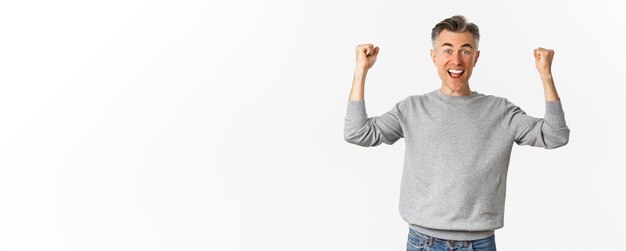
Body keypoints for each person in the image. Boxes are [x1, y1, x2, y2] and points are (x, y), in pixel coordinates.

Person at [343, 15, 570, 251]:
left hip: (479, 243)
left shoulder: (500, 111)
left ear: (476, 58)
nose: (456, 60)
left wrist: (546, 75)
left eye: (465, 51)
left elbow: (555, 135)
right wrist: (361, 71)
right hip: (423, 242)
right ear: (434, 56)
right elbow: (357, 133)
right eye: (447, 50)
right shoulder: (412, 109)